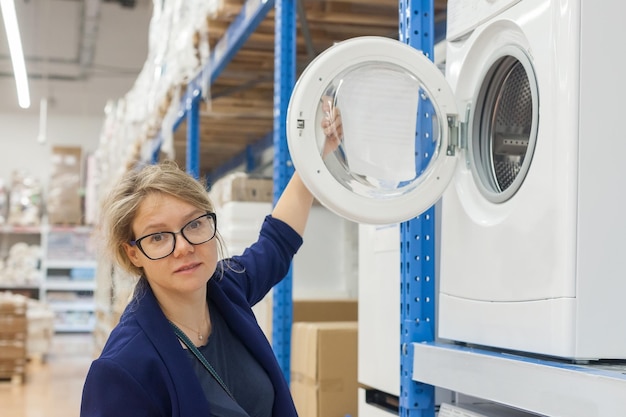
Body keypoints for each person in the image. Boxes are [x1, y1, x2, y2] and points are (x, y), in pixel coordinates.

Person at [80, 103, 342, 417]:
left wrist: (317, 152)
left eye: (194, 224)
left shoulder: (226, 289)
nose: (183, 248)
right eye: (159, 236)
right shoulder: (123, 368)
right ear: (133, 252)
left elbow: (277, 243)